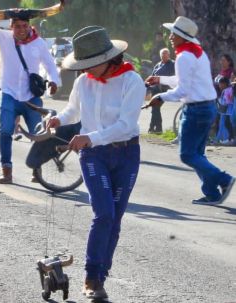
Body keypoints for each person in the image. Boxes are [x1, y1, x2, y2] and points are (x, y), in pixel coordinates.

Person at [47, 26, 145, 300]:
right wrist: (58, 119)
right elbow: (73, 111)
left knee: (115, 219)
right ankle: (90, 277)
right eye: (83, 64)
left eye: (91, 63)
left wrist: (91, 137)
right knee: (103, 214)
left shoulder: (132, 81)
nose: (86, 69)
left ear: (108, 57)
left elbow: (127, 125)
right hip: (94, 156)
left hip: (126, 155)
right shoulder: (83, 82)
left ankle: (100, 276)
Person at [145, 16, 235, 204]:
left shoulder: (183, 56)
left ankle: (223, 179)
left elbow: (182, 90)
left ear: (182, 37)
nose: (170, 36)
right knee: (197, 154)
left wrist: (160, 96)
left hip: (196, 110)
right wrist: (160, 80)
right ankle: (211, 193)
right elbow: (182, 80)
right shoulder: (196, 52)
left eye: (174, 33)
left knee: (187, 154)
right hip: (208, 107)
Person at [0, 11, 60, 184]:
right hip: (9, 95)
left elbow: (50, 65)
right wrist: (7, 13)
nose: (21, 30)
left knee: (39, 135)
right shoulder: (4, 38)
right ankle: (6, 171)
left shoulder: (39, 44)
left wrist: (54, 82)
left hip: (31, 98)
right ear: (11, 26)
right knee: (5, 131)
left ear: (30, 26)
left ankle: (36, 171)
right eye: (17, 26)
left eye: (25, 26)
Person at [147, 48, 175, 134]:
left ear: (169, 55)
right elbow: (152, 76)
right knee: (155, 108)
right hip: (155, 89)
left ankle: (157, 128)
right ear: (160, 56)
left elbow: (174, 77)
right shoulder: (158, 65)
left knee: (155, 107)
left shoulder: (172, 64)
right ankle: (153, 128)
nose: (164, 55)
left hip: (164, 89)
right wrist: (148, 87)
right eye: (163, 54)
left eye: (166, 54)